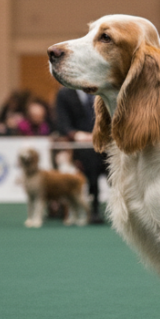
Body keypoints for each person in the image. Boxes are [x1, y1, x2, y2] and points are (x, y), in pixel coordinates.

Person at [55, 87, 105, 224]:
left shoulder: (102, 89)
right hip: (79, 146)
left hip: (106, 142)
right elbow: (62, 124)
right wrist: (77, 135)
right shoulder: (64, 94)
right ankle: (93, 208)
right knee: (92, 158)